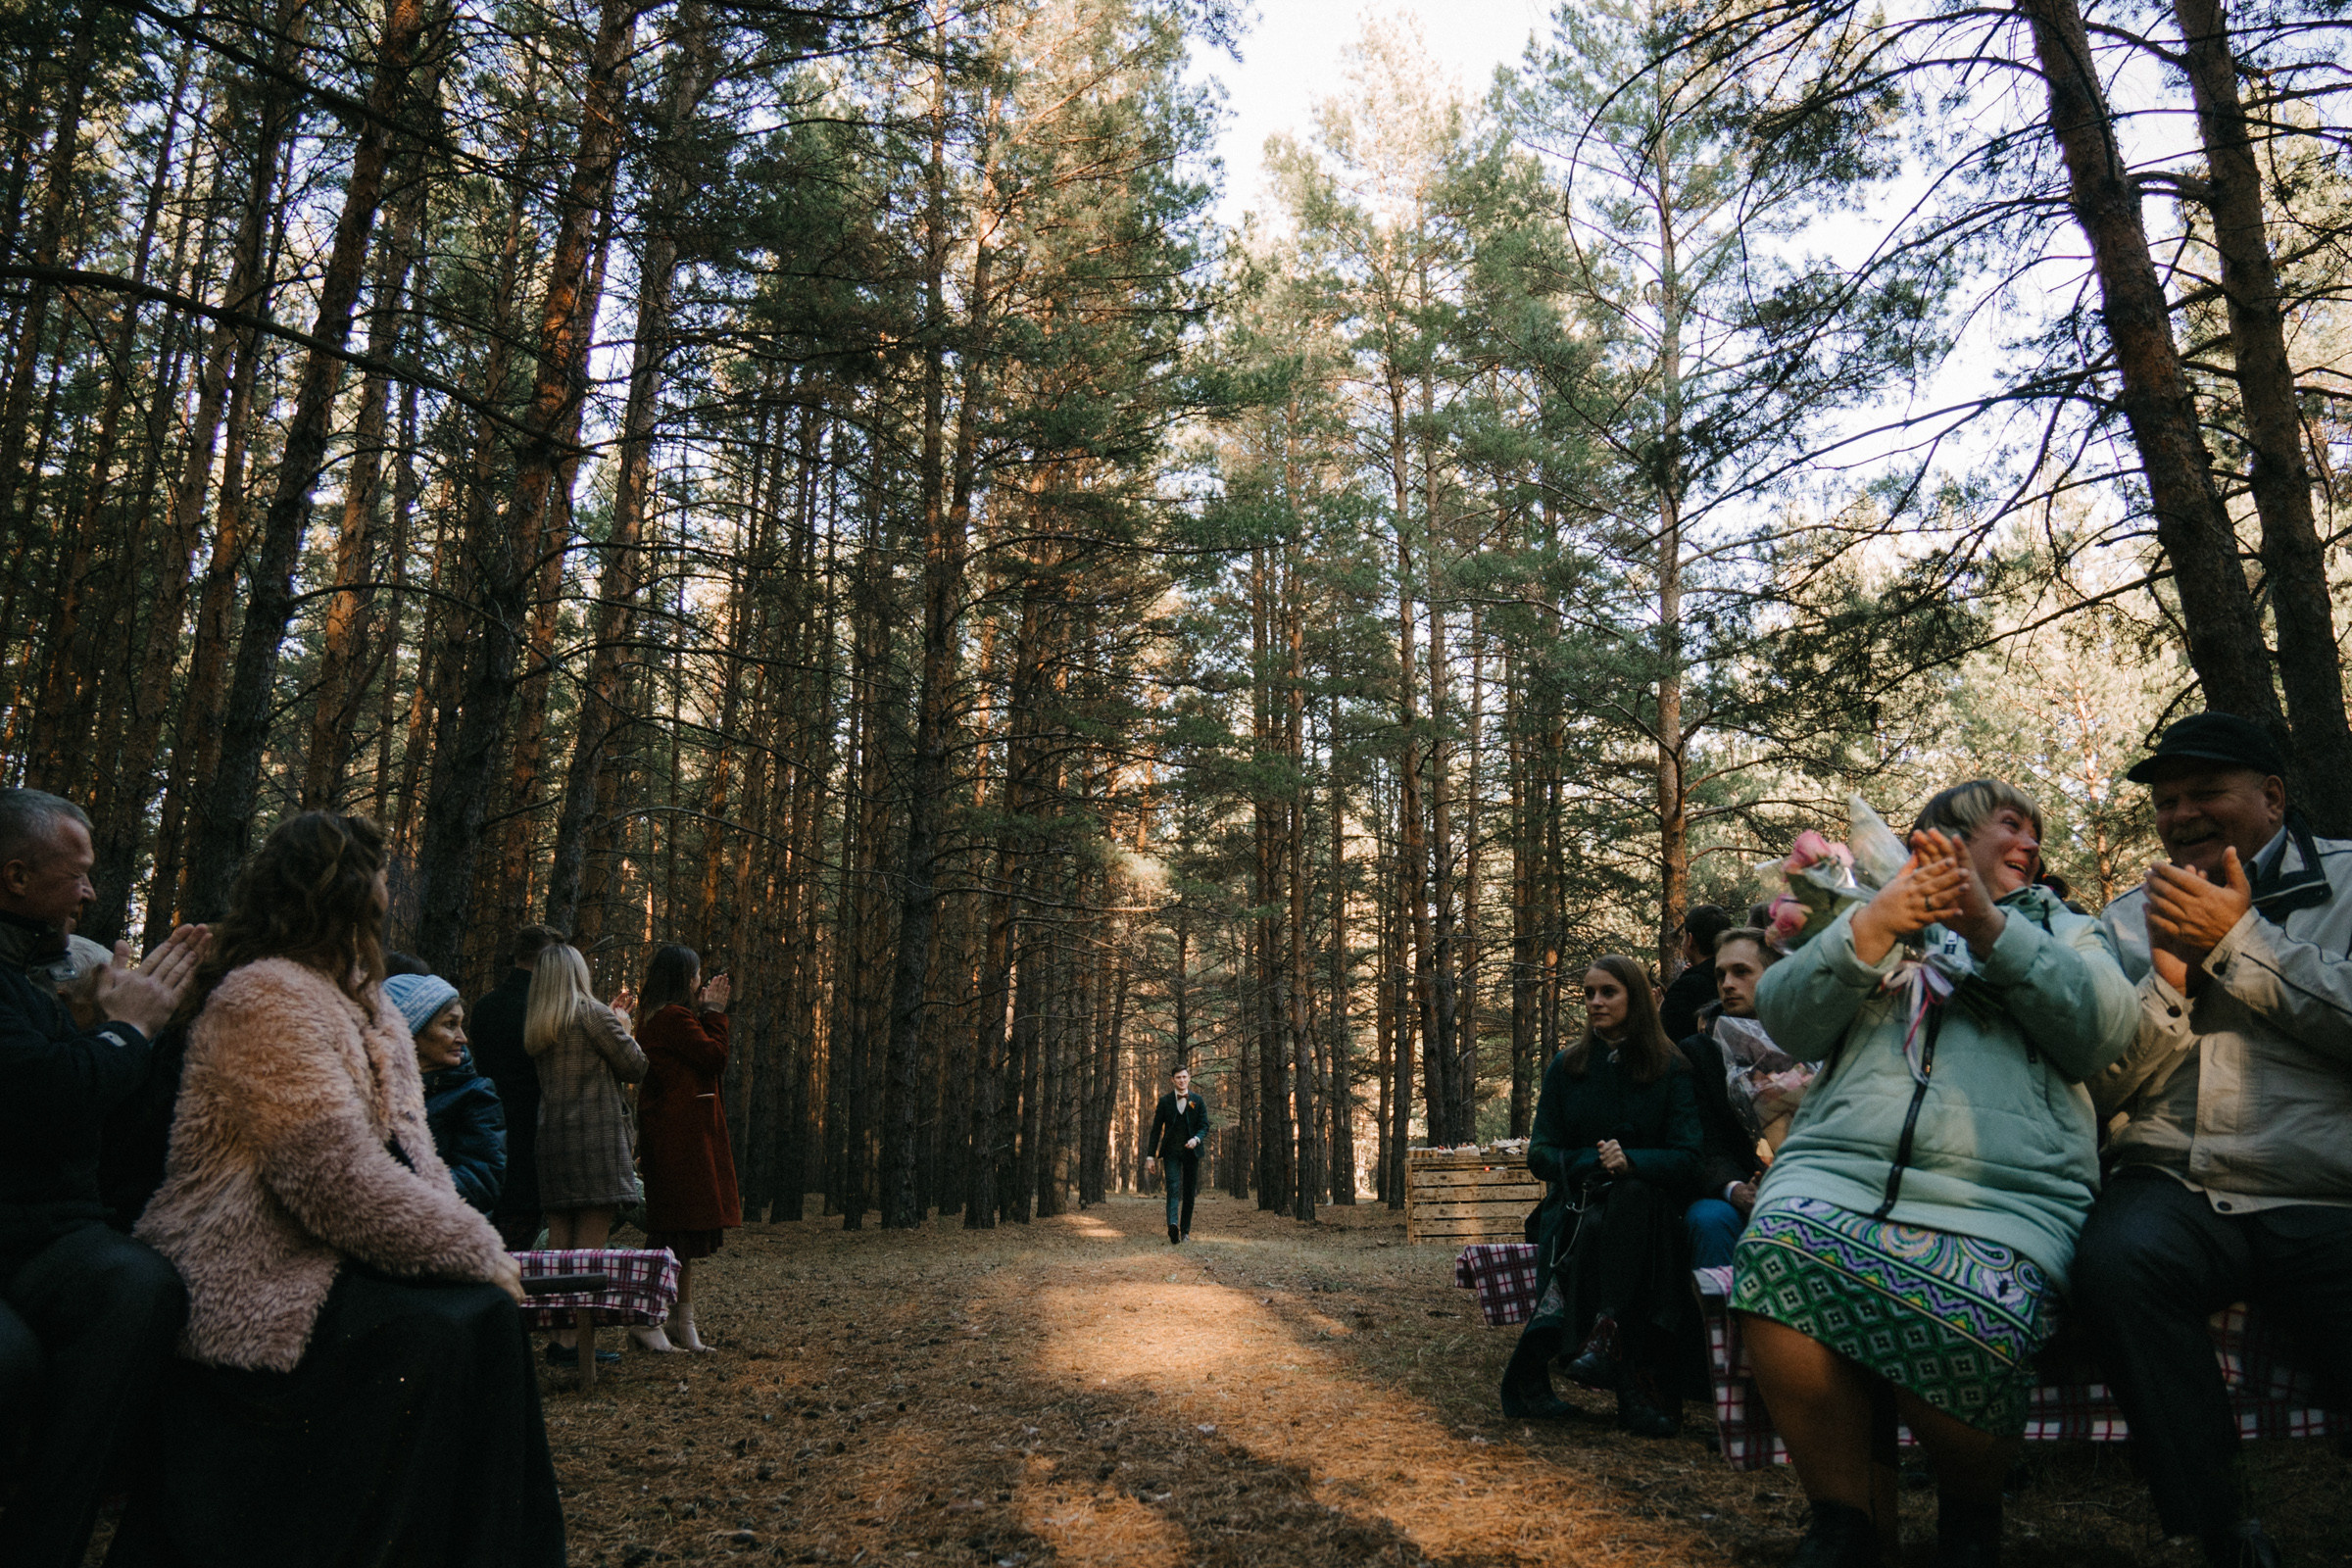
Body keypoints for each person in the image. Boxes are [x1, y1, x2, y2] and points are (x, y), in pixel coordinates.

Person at [115, 811, 563, 1567]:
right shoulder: (262, 997)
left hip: (341, 1251)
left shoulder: (374, 1004)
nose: (392, 897)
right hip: (259, 1267)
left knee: (483, 1319)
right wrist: (475, 1247)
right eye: (381, 883)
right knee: (449, 1327)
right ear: (343, 892)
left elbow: (415, 1160)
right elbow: (329, 1175)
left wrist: (467, 1245)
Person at [1735, 780, 2136, 1568]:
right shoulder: (1871, 915)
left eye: (2036, 834)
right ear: (1936, 841)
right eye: (2011, 825)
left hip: (2002, 1194)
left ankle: (1970, 1520)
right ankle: (1841, 1525)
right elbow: (1783, 1014)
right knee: (1777, 1250)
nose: (2031, 843)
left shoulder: (2065, 928)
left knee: (1965, 1302)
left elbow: (2100, 1031)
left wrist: (1988, 928)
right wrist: (1877, 924)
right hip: (1837, 1170)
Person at [2077, 713, 2352, 1568]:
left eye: (2204, 793)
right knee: (2115, 1263)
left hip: (2324, 1181)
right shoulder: (2125, 920)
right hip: (2176, 1179)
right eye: (2166, 801)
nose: (2181, 814)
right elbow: (2092, 1087)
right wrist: (2163, 984)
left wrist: (2238, 944)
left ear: (2271, 797)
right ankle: (2223, 1527)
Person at [0, 789, 205, 1568]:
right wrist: (130, 1030)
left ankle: (42, 1545)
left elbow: (110, 1129)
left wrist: (163, 1023)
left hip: (49, 1237)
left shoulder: (43, 975)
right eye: (78, 874)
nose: (90, 892)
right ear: (17, 876)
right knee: (9, 1360)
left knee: (137, 1285)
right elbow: (43, 1095)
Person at [1497, 954, 1700, 1438]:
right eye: (1588, 992)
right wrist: (1593, 1161)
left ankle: (1605, 1340)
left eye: (1607, 991)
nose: (1595, 1002)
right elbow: (1540, 1152)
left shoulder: (1672, 1067)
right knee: (1599, 1223)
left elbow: (1690, 1158)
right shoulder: (1568, 1067)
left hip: (1650, 1211)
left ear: (1634, 997)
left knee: (1631, 1201)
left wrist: (1633, 1162)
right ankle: (1627, 1382)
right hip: (1577, 1205)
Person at [526, 941, 649, 1360]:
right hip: (595, 1142)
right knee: (590, 1248)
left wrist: (609, 1018)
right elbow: (636, 1066)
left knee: (560, 1246)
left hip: (553, 1142)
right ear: (578, 974)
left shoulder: (540, 1023)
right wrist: (624, 1026)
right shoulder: (593, 1015)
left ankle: (560, 1338)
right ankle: (578, 1345)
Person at [635, 943, 737, 1352]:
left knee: (682, 1235)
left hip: (681, 1136)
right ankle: (648, 1319)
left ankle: (681, 1321)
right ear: (682, 978)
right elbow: (714, 1057)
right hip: (678, 1139)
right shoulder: (672, 1019)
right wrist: (714, 1013)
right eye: (695, 975)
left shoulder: (665, 1017)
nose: (700, 983)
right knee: (670, 1235)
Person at [1677, 926, 1778, 1269]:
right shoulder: (1699, 1053)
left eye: (1742, 972)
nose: (1727, 983)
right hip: (1730, 1193)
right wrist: (1734, 1188)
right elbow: (1699, 1138)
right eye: (1720, 974)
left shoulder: (1813, 1041)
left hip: (1807, 1180)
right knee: (1710, 1222)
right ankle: (1719, 1322)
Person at [469, 924, 564, 1250]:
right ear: (547, 961)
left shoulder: (484, 1007)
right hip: (532, 1140)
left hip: (485, 1132)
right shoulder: (546, 1011)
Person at [384, 970, 508, 1216]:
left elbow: (481, 1181)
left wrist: (392, 1192)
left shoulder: (475, 1095)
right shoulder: (369, 1091)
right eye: (450, 1025)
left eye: (460, 1024)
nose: (462, 1038)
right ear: (410, 1031)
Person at [1144, 1065, 1208, 1244]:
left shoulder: (1198, 1100)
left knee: (1189, 1192)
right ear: (1172, 1080)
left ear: (1189, 1078)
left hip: (1191, 1152)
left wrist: (1196, 1139)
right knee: (1172, 1187)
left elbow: (1205, 1126)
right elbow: (1155, 1130)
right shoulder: (1165, 1102)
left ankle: (1185, 1232)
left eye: (1184, 1077)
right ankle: (1173, 1225)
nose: (1181, 1080)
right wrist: (1150, 1157)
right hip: (1171, 1151)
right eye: (1178, 1077)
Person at [1659, 904, 1731, 1044]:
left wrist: (1658, 1013)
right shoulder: (1736, 980)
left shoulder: (1683, 990)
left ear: (1690, 939)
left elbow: (1668, 1041)